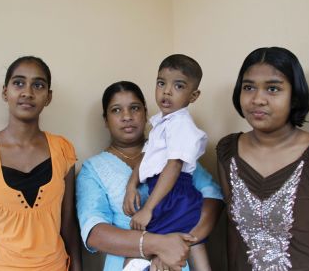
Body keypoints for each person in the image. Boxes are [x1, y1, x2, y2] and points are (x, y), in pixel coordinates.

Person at [216, 47, 309, 270]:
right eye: (248, 87)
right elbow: (233, 238)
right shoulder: (228, 152)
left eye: (273, 88)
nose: (257, 99)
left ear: (295, 96)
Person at [76, 81, 223, 271]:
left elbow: (213, 199)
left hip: (176, 263)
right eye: (116, 110)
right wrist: (158, 245)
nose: (127, 116)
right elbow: (95, 233)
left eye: (134, 108)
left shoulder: (174, 153)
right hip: (125, 265)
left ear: (145, 113)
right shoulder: (93, 169)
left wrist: (177, 246)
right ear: (105, 119)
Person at [0, 56, 82, 271]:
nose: (27, 93)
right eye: (19, 83)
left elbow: (68, 226)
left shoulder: (63, 150)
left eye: (38, 85)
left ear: (48, 97)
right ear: (5, 92)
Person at [123, 54, 210, 270]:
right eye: (161, 83)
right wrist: (131, 186)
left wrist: (148, 208)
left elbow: (173, 166)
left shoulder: (180, 123)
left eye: (178, 86)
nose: (167, 91)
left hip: (174, 194)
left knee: (140, 244)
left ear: (194, 95)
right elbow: (145, 158)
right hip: (168, 193)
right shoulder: (162, 123)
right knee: (190, 244)